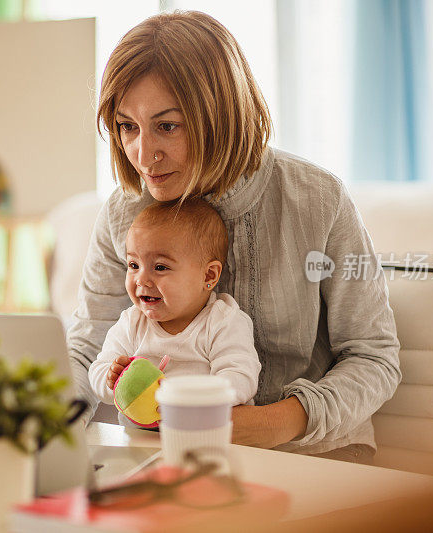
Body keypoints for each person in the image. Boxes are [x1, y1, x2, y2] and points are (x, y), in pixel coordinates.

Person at [67, 11, 401, 463]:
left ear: (221, 113)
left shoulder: (318, 200)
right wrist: (38, 430)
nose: (144, 155)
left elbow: (374, 358)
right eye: (128, 126)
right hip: (169, 458)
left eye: (168, 125)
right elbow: (87, 347)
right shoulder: (124, 211)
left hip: (313, 456)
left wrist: (273, 423)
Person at [87, 199, 261, 413]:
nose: (141, 279)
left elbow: (241, 379)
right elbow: (97, 371)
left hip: (201, 435)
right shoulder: (132, 322)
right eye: (133, 265)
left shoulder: (223, 322)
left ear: (209, 275)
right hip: (141, 439)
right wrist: (111, 377)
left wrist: (186, 398)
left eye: (160, 267)